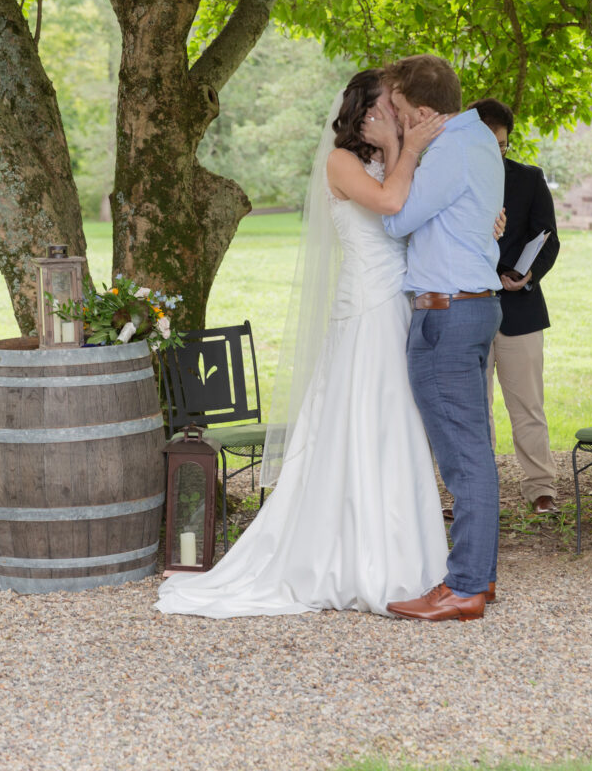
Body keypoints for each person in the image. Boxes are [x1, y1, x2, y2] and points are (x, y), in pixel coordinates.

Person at [155, 70, 450, 618]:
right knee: (361, 416)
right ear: (365, 112)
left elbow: (415, 217)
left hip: (398, 303)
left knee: (396, 420)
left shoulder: (395, 159)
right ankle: (346, 560)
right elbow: (388, 205)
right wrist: (404, 148)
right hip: (365, 305)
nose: (400, 116)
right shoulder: (342, 162)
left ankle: (408, 555)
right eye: (390, 106)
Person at [381, 55, 504, 623]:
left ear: (424, 112)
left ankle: (465, 587)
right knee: (472, 447)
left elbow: (396, 220)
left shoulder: (449, 150)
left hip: (446, 315)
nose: (398, 120)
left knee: (463, 457)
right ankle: (481, 575)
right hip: (472, 308)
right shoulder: (477, 137)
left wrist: (401, 155)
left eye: (401, 112)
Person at [468, 98, 560, 514]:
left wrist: (528, 276)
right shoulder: (453, 179)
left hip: (519, 309)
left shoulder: (529, 178)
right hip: (467, 309)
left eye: (503, 145)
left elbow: (548, 238)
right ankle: (473, 494)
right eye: (490, 144)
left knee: (528, 405)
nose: (498, 152)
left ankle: (541, 487)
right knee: (473, 410)